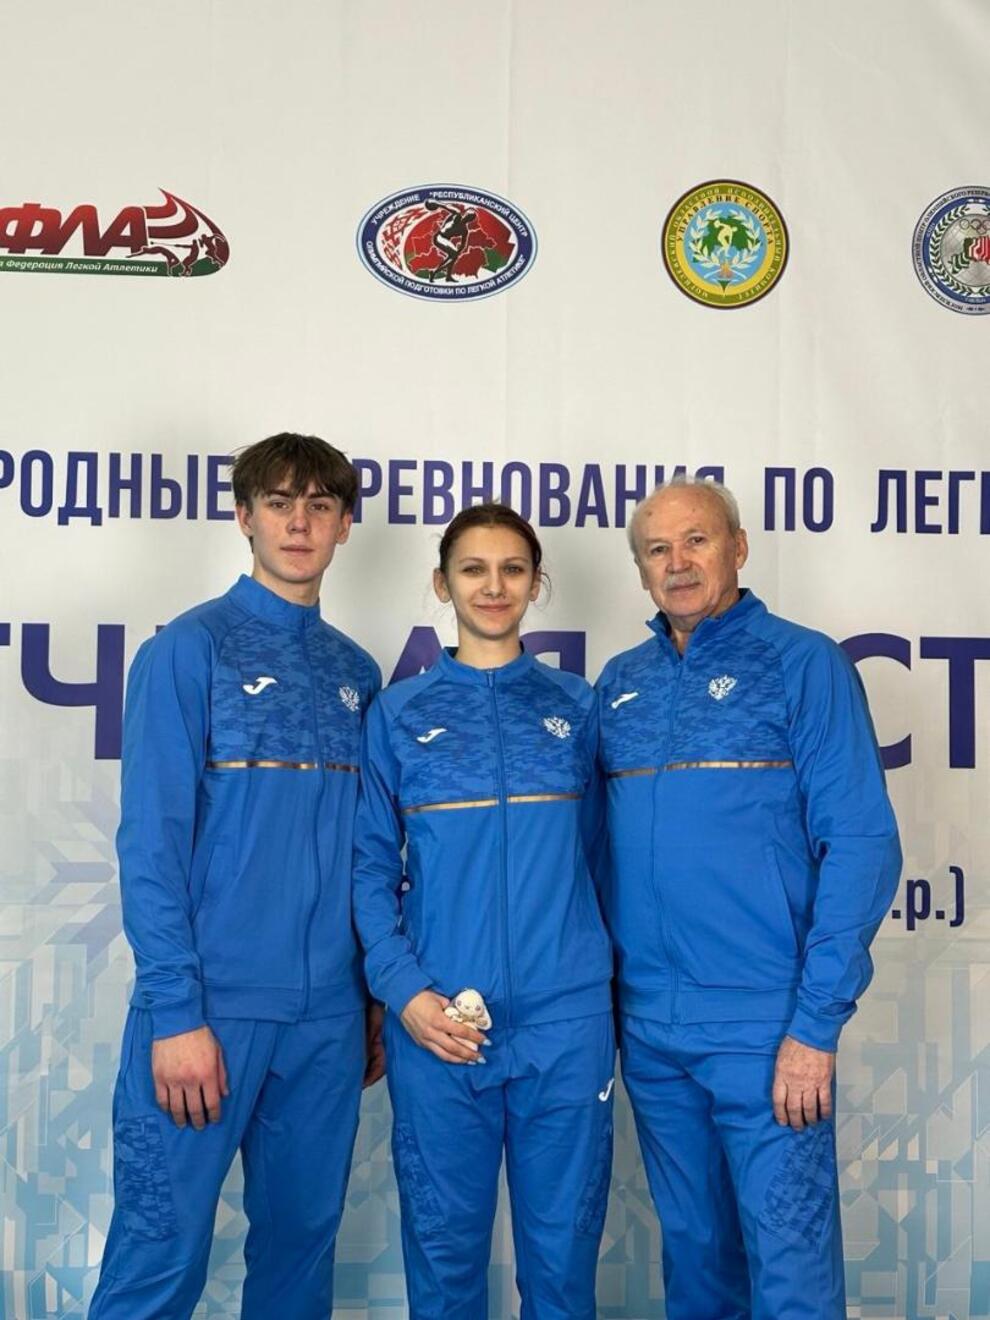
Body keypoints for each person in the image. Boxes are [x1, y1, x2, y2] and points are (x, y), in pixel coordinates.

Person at [90, 433, 384, 1320]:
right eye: (280, 503)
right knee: (158, 1255)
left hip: (328, 1019)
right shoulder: (189, 650)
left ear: (344, 525)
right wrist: (176, 1011)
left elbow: (370, 854)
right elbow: (151, 845)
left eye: (320, 506)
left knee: (301, 1258)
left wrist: (370, 997)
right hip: (209, 1011)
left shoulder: (356, 672)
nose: (299, 523)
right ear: (243, 515)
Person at [596, 475, 901, 1320]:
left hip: (768, 1028)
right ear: (640, 570)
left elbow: (862, 844)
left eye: (696, 540)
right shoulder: (620, 683)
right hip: (651, 1032)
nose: (677, 563)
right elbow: (591, 855)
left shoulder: (803, 664)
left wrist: (814, 1025)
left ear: (738, 547)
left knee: (790, 1268)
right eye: (657, 549)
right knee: (697, 1264)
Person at [353, 502, 614, 1320]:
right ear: (443, 584)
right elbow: (368, 870)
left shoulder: (579, 709)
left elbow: (606, 862)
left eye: (511, 569)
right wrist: (404, 994)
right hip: (440, 1025)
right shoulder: (398, 714)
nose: (493, 586)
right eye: (473, 569)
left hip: (565, 1027)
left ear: (536, 583)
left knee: (562, 1276)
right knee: (445, 1273)